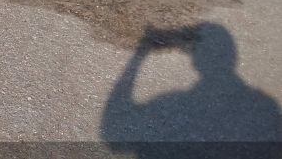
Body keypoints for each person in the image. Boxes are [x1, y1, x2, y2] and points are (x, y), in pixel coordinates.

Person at [101, 23, 281, 158]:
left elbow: (112, 132)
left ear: (195, 62)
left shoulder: (170, 105)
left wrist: (139, 55)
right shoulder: (266, 108)